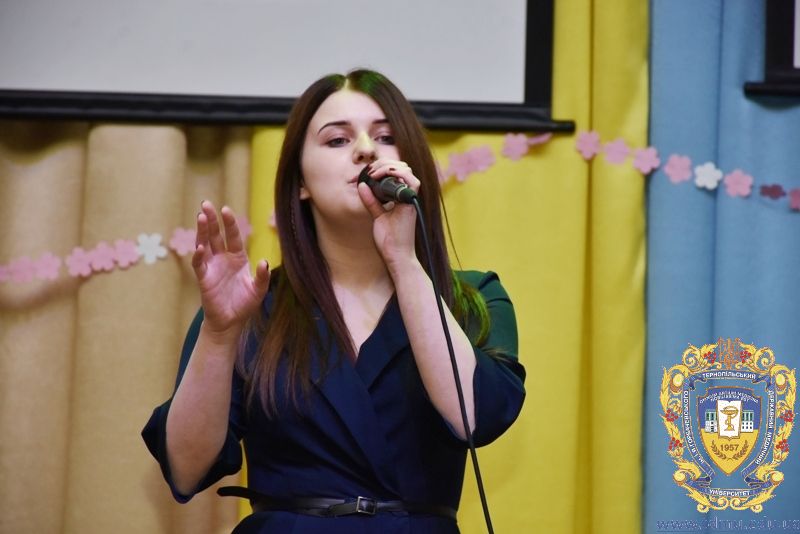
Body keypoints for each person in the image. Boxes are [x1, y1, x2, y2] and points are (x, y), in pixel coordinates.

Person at [142, 69, 526, 534]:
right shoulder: (254, 305)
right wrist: (220, 334)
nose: (366, 149)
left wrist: (404, 260)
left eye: (385, 137)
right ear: (300, 183)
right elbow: (185, 470)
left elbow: (476, 419)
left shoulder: (472, 297)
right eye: (337, 140)